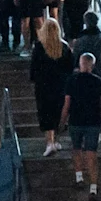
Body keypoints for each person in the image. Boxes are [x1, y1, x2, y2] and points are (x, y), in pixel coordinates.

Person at [62, 51, 101, 201]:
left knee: (76, 149)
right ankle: (93, 188)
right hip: (93, 122)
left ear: (80, 63)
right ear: (92, 65)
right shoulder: (97, 81)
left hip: (75, 120)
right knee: (91, 154)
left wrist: (62, 121)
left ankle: (79, 176)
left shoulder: (72, 81)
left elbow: (67, 104)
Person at [30, 17, 73, 157]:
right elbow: (70, 68)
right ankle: (57, 139)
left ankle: (50, 142)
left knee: (46, 113)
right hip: (61, 85)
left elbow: (34, 69)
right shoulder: (65, 47)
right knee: (59, 113)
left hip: (43, 86)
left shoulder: (39, 47)